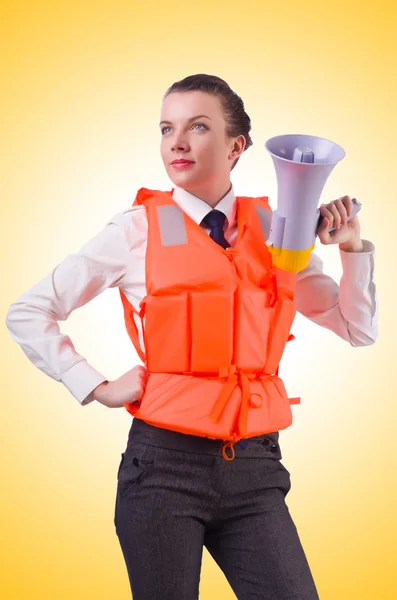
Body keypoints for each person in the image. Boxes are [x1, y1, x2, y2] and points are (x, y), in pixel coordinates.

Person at [5, 74, 378, 599]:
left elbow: (357, 329)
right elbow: (28, 311)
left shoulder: (278, 228)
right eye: (166, 128)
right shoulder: (135, 229)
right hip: (162, 471)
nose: (176, 142)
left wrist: (352, 248)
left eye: (197, 126)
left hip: (254, 469)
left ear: (235, 146)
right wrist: (95, 386)